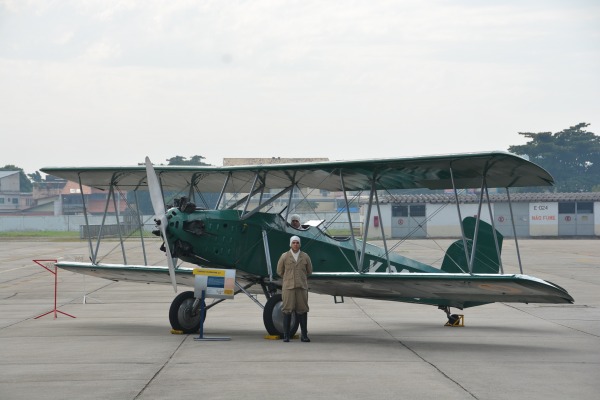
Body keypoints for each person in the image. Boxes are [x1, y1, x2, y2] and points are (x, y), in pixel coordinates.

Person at [276, 235, 313, 342]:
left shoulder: (305, 257)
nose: (295, 244)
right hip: (288, 287)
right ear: (290, 244)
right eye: (294, 243)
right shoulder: (284, 256)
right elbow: (280, 271)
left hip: (301, 287)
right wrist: (288, 278)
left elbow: (309, 271)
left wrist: (300, 278)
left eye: (297, 242)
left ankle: (304, 335)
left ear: (300, 244)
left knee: (302, 309)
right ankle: (286, 335)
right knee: (287, 309)